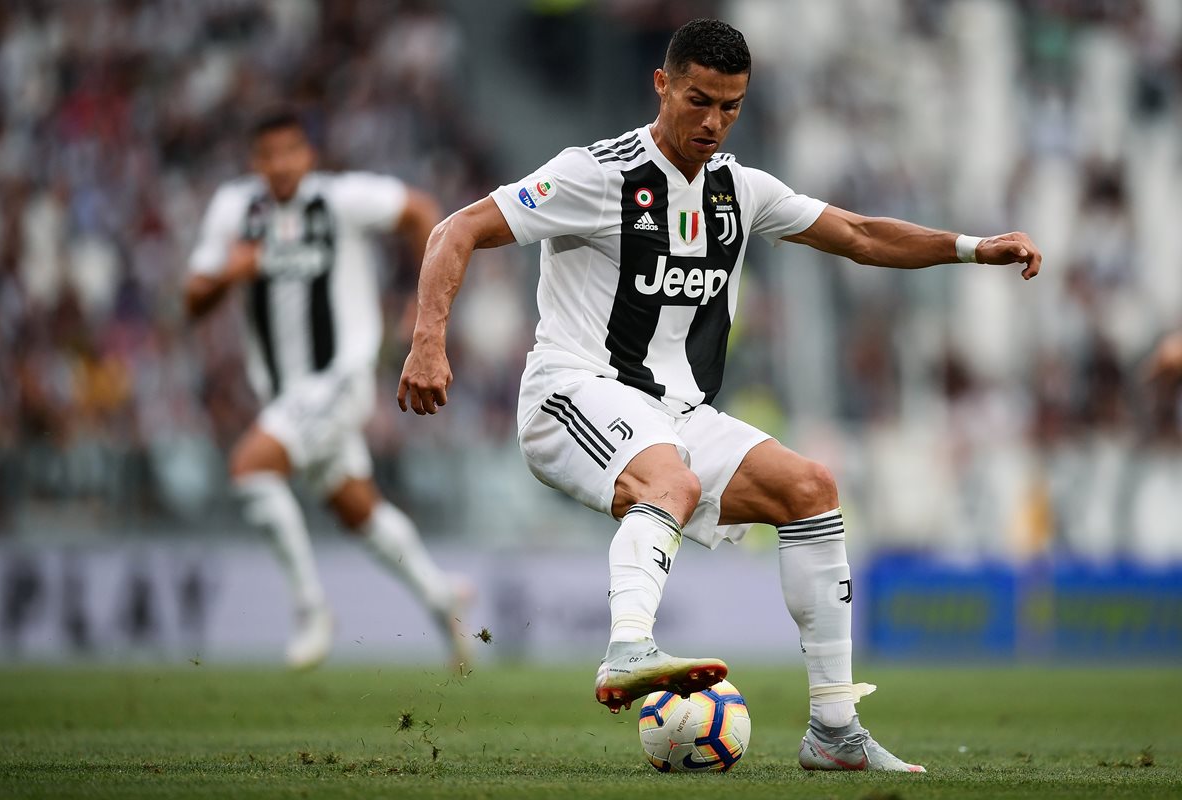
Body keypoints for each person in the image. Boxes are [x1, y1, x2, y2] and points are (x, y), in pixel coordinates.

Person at [397, 19, 1041, 772]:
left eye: (730, 107)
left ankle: (833, 731)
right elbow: (454, 229)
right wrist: (428, 340)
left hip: (677, 413)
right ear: (662, 84)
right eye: (699, 100)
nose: (713, 122)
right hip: (574, 390)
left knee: (811, 489)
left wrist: (970, 247)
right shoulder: (595, 175)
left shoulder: (743, 189)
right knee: (670, 476)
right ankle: (628, 649)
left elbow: (862, 234)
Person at [186, 109, 471, 671]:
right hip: (285, 393)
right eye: (269, 155)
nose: (282, 165)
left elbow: (422, 211)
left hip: (340, 377)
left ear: (307, 155)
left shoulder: (340, 199)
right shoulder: (234, 209)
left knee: (251, 468)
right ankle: (443, 598)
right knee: (357, 509)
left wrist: (422, 310)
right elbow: (192, 299)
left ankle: (312, 609)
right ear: (256, 161)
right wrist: (226, 274)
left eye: (291, 151)